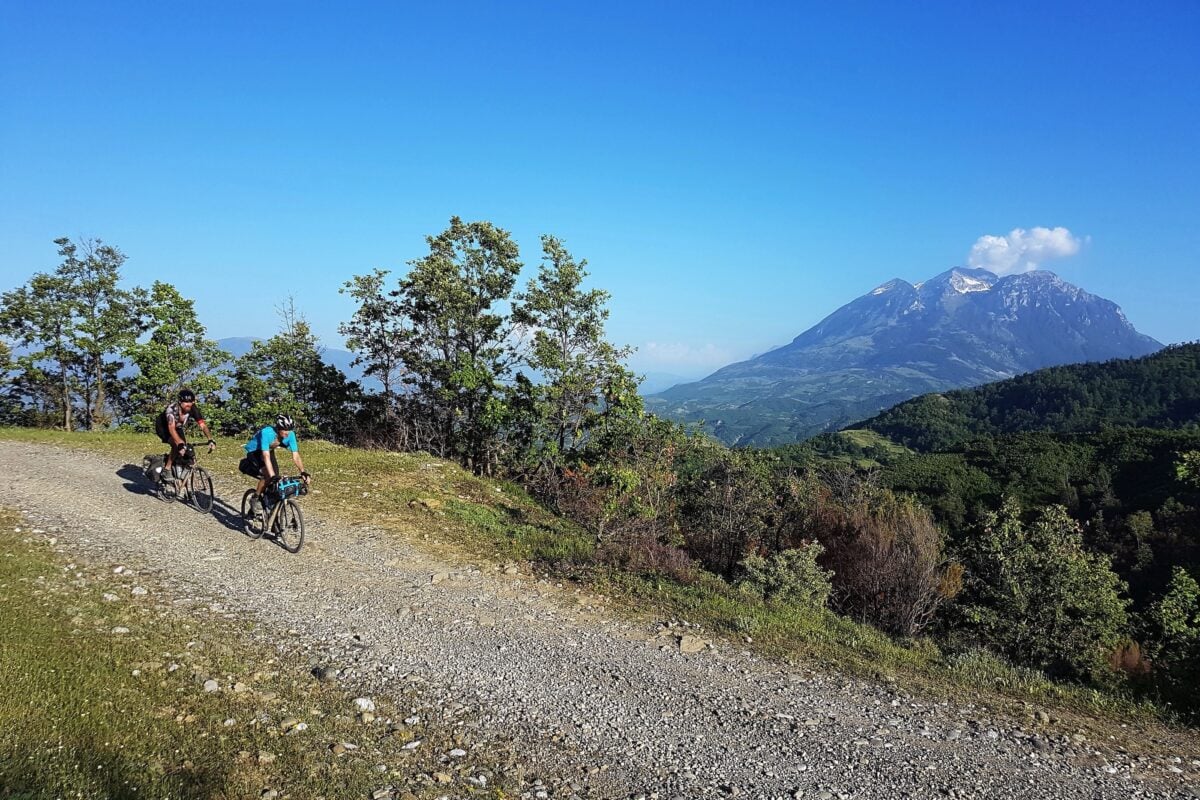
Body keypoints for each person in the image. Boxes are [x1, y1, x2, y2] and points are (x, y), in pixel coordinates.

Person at [239, 413, 311, 497]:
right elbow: (265, 456)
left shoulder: (290, 435)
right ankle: (256, 497)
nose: (287, 433)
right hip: (255, 451)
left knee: (276, 476)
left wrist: (303, 472)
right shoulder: (266, 432)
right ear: (278, 428)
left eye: (290, 429)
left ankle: (268, 498)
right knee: (268, 475)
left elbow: (296, 455)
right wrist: (272, 476)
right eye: (285, 430)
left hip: (269, 450)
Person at [154, 388, 215, 480]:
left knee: (185, 449)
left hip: (177, 427)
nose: (189, 404)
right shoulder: (171, 410)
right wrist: (179, 444)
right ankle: (167, 469)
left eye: (191, 402)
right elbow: (171, 429)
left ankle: (179, 466)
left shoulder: (193, 409)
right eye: (186, 402)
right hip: (163, 427)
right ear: (180, 402)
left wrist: (210, 439)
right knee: (176, 445)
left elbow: (203, 425)